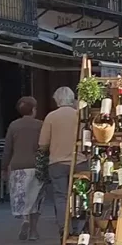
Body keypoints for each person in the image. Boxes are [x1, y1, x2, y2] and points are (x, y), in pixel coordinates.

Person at [38, 87, 79, 234]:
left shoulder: (51, 117)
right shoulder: (79, 115)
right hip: (79, 162)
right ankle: (78, 225)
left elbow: (43, 143)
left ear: (57, 99)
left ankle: (64, 228)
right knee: (79, 193)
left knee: (61, 196)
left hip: (57, 162)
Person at [2, 97, 43, 241]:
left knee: (22, 196)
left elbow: (7, 149)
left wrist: (4, 168)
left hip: (18, 165)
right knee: (35, 198)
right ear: (33, 109)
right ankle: (33, 231)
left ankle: (24, 218)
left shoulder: (14, 125)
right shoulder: (40, 125)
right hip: (36, 166)